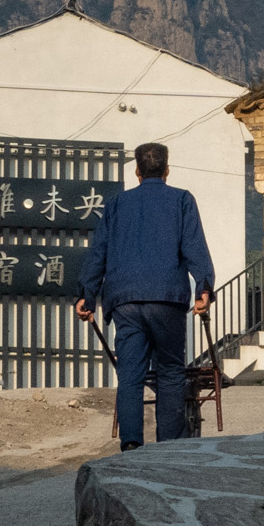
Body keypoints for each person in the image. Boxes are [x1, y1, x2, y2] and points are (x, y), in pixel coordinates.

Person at [75, 142, 214, 449]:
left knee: (130, 375)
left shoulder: (115, 205)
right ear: (166, 170)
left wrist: (87, 296)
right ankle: (169, 445)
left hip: (124, 299)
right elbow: (194, 248)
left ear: (137, 172)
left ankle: (131, 443)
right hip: (166, 298)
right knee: (170, 371)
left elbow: (98, 253)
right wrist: (203, 289)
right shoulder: (181, 200)